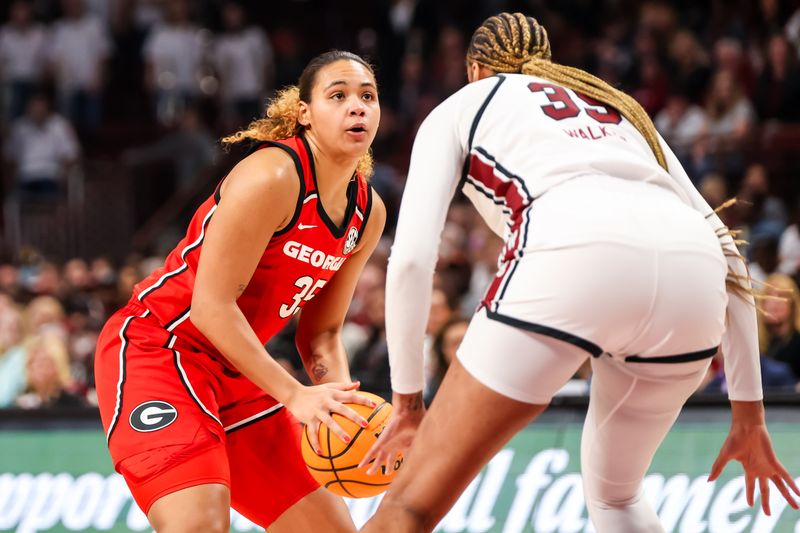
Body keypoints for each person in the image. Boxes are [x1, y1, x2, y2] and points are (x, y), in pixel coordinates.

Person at [360, 13, 799, 533]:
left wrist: (408, 400)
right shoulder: (620, 109)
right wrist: (749, 413)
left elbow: (411, 258)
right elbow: (727, 250)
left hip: (574, 249)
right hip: (692, 269)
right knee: (617, 499)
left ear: (473, 68)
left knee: (411, 504)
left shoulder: (461, 105)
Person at [94, 50, 386, 532]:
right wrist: (295, 395)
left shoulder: (367, 211)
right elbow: (210, 308)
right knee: (200, 525)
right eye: (338, 95)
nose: (357, 107)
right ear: (305, 114)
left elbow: (322, 334)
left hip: (239, 370)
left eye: (368, 96)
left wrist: (340, 412)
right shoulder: (272, 175)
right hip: (163, 350)